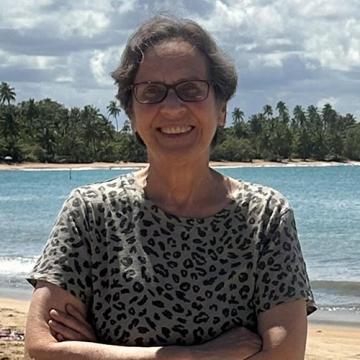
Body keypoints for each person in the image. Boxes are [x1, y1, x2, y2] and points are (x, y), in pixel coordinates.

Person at [25, 15, 316, 360]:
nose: (173, 108)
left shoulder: (265, 216)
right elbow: (40, 350)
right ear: (131, 113)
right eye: (152, 92)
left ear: (221, 108)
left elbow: (284, 356)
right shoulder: (90, 212)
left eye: (191, 89)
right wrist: (194, 355)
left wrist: (101, 353)